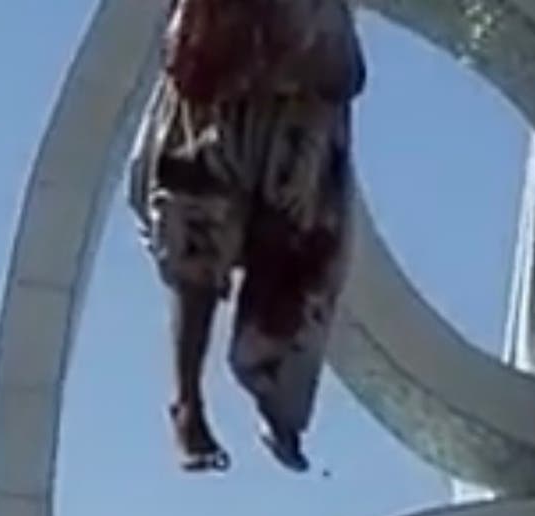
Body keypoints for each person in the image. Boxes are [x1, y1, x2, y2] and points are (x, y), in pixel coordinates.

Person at [128, 0, 367, 473]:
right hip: (223, 66)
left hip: (300, 81)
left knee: (293, 235)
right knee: (198, 225)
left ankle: (277, 394)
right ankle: (188, 402)